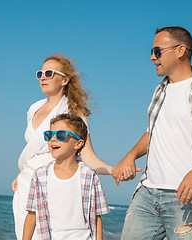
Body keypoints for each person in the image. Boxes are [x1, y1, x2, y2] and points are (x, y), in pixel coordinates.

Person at [112, 26, 192, 239]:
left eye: (157, 51)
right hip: (146, 193)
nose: (152, 57)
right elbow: (152, 133)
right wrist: (130, 156)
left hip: (186, 197)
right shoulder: (159, 91)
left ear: (180, 50)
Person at [12, 54, 132, 239]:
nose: (43, 77)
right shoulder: (33, 108)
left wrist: (113, 170)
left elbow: (88, 157)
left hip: (57, 185)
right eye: (40, 73)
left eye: (50, 73)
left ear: (65, 80)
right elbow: (32, 149)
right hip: (28, 183)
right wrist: (21, 173)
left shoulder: (74, 112)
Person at [23, 113, 109, 240]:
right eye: (49, 135)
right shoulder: (40, 175)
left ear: (78, 144)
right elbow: (32, 214)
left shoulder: (89, 176)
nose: (53, 139)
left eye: (60, 135)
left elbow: (97, 217)